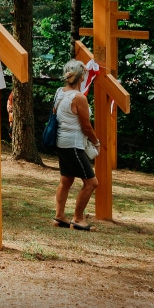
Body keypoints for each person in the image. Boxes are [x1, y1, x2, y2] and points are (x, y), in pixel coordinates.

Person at [53, 59, 100, 231]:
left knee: (66, 179)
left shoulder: (59, 92)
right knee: (91, 183)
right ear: (82, 78)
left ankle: (59, 217)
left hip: (61, 142)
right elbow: (86, 126)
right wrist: (96, 142)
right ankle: (78, 219)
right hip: (73, 144)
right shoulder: (79, 98)